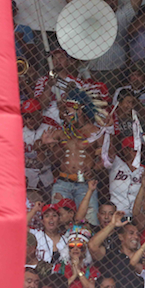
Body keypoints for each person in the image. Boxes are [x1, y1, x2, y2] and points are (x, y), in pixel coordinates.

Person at [65, 0, 145, 86]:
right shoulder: (91, 16)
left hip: (117, 70)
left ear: (117, 0)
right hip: (94, 70)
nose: (110, 2)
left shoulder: (122, 15)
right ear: (101, 1)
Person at [41, 85, 109, 225]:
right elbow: (47, 157)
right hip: (62, 182)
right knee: (58, 221)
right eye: (64, 112)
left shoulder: (95, 132)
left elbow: (106, 159)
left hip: (85, 184)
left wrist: (93, 169)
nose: (65, 115)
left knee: (88, 222)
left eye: (68, 112)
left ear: (80, 110)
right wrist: (46, 145)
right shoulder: (61, 132)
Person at [89, 211, 145, 288]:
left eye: (137, 234)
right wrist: (112, 225)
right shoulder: (111, 255)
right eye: (131, 233)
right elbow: (92, 246)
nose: (136, 237)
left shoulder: (143, 258)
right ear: (120, 237)